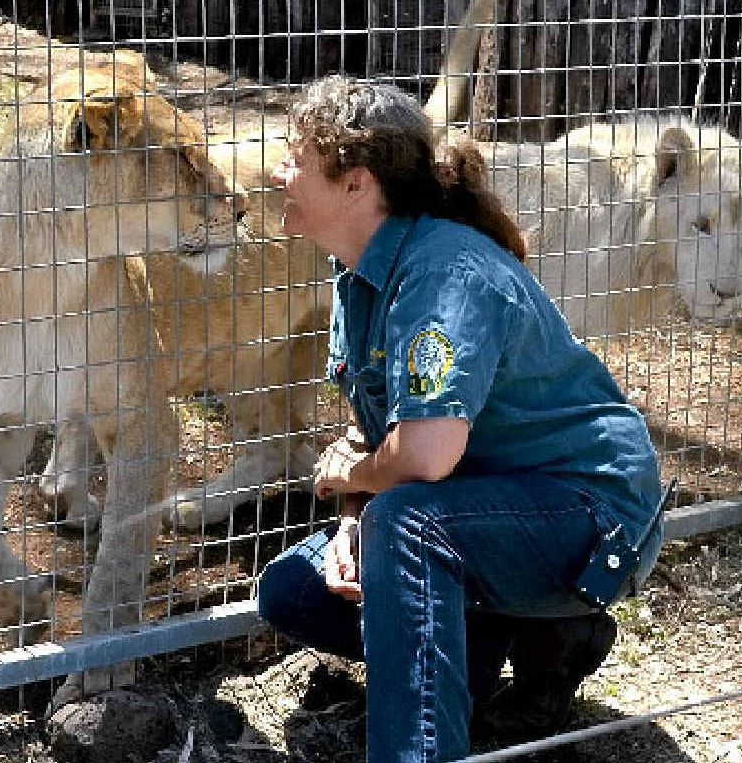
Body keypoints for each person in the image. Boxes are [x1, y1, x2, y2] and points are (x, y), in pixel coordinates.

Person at [257, 75, 665, 763]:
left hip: (591, 516)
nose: (277, 170)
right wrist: (352, 521)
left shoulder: (445, 276)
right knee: (297, 591)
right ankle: (509, 646)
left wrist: (357, 481)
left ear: (356, 184)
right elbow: (375, 424)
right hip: (483, 511)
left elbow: (423, 458)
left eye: (294, 156)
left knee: (407, 526)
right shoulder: (355, 271)